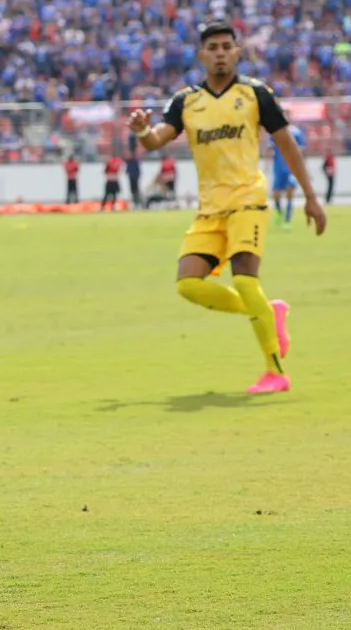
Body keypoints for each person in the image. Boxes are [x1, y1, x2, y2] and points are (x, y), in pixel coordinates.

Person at [128, 22, 326, 394]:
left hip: (247, 201)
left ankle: (275, 371)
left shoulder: (256, 95)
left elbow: (286, 144)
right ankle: (269, 313)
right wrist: (141, 129)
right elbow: (156, 141)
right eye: (213, 47)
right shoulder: (186, 101)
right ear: (202, 55)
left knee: (245, 280)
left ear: (237, 52)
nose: (220, 53)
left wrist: (311, 197)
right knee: (188, 285)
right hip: (209, 210)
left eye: (226, 47)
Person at [270, 114, 306, 230]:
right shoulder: (275, 132)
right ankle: (279, 212)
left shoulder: (296, 132)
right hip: (278, 168)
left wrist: (303, 168)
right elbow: (270, 150)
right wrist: (267, 164)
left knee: (290, 193)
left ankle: (287, 220)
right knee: (276, 194)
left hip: (291, 168)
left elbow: (301, 152)